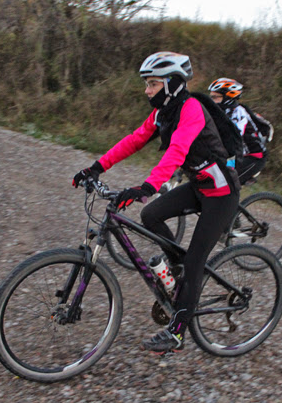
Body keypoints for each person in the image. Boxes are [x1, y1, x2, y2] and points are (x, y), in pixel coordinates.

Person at [72, 52, 240, 354]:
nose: (147, 90)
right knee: (151, 215)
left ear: (172, 83)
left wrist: (147, 186)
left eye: (152, 84)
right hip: (199, 187)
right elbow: (135, 139)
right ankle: (178, 272)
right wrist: (96, 167)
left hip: (222, 193)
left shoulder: (191, 109)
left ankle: (177, 333)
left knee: (195, 262)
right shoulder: (163, 112)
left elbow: (177, 151)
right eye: (147, 84)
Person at [208, 78, 267, 185]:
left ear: (227, 98)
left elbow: (232, 138)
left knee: (224, 183)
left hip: (253, 157)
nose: (211, 100)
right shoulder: (221, 112)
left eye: (215, 97)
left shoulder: (239, 112)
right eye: (211, 96)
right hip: (235, 156)